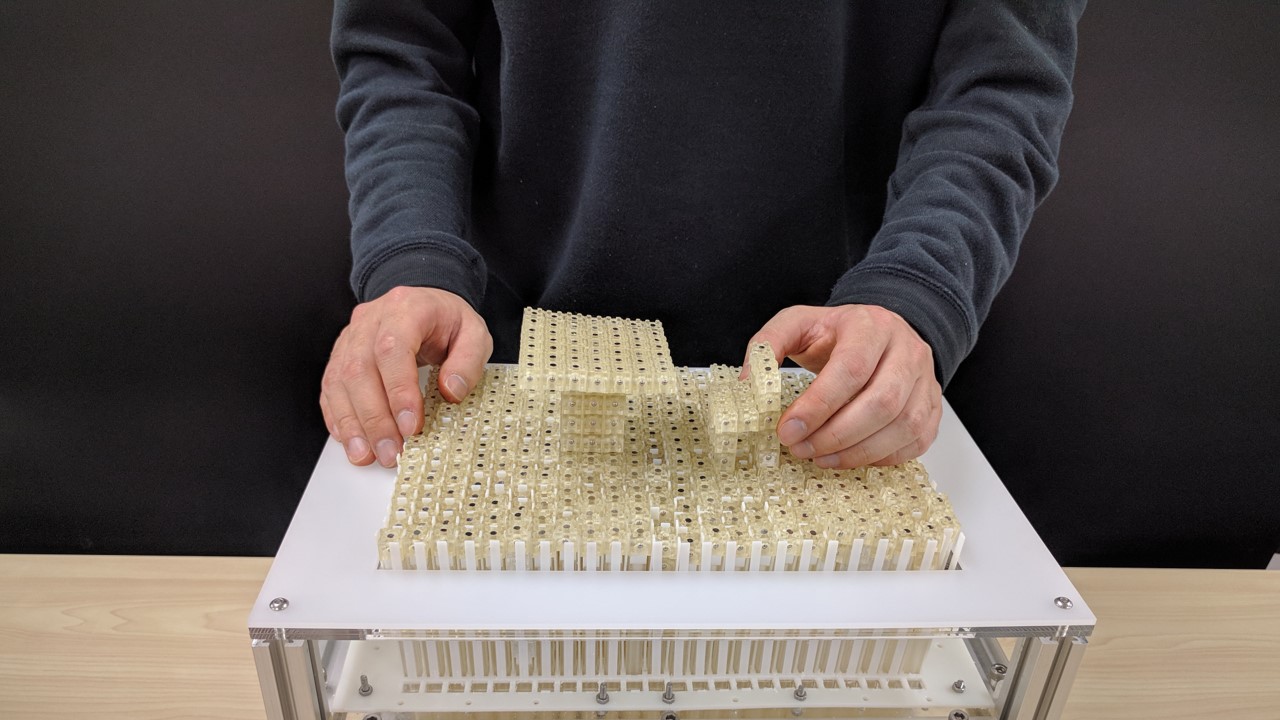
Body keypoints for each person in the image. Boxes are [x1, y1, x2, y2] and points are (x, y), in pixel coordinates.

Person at [320, 1, 1085, 470]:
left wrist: (913, 295)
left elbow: (1000, 83)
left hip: (835, 383)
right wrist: (413, 259)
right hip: (501, 372)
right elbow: (403, 45)